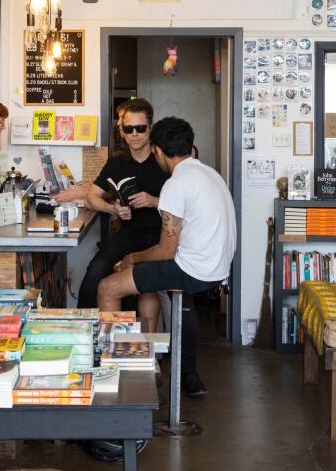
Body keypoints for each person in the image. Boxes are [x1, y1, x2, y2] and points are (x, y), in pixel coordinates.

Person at [97, 117, 236, 396]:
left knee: (108, 286)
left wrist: (130, 260)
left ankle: (111, 371)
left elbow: (165, 251)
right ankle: (172, 370)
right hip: (218, 268)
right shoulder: (210, 174)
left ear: (158, 150)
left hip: (192, 270)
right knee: (153, 285)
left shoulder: (176, 183)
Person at [77, 99, 168, 309]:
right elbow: (91, 196)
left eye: (140, 128)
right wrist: (113, 209)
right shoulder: (116, 163)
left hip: (162, 235)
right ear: (122, 133)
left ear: (150, 129)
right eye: (128, 129)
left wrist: (154, 201)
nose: (134, 134)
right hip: (129, 234)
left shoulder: (164, 159)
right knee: (95, 270)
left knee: (151, 288)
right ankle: (85, 330)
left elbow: (186, 201)